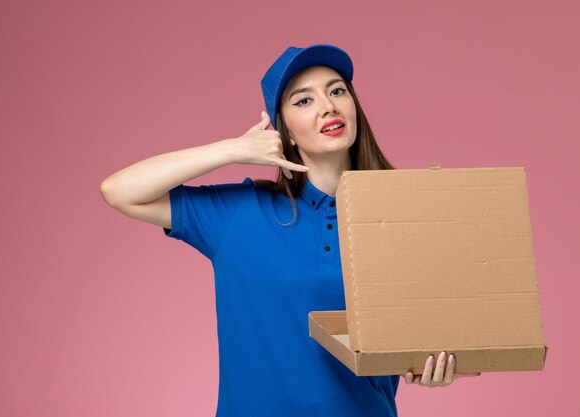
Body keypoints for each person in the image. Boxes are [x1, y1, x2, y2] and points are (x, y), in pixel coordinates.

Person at [100, 44, 480, 416]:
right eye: (304, 100)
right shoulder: (240, 214)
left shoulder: (403, 218)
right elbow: (119, 191)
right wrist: (233, 149)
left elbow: (426, 330)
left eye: (337, 91)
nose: (328, 106)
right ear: (287, 134)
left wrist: (431, 365)